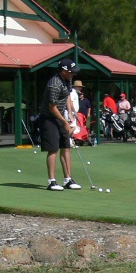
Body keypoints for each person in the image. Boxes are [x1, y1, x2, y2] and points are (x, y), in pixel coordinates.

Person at [39, 59, 81, 191]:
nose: (73, 75)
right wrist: (64, 122)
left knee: (66, 146)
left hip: (61, 116)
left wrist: (70, 113)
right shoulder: (54, 84)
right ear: (63, 71)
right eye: (71, 72)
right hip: (49, 118)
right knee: (53, 149)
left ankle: (68, 179)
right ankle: (51, 181)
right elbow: (52, 108)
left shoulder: (67, 80)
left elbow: (67, 96)